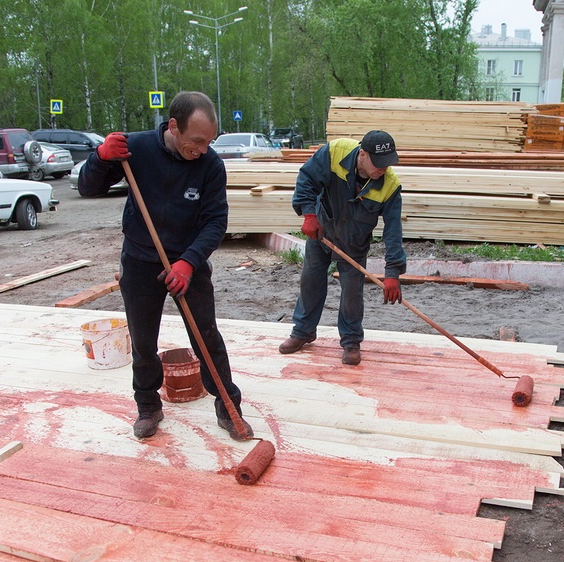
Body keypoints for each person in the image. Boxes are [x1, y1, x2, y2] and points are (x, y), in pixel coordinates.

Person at [78, 91, 252, 441]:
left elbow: (216, 222)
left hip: (188, 264)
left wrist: (189, 262)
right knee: (143, 341)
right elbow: (87, 188)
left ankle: (228, 408)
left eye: (210, 142)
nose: (202, 149)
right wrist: (98, 158)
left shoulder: (210, 166)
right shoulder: (136, 150)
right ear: (173, 126)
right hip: (141, 262)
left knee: (206, 338)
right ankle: (147, 406)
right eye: (197, 140)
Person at [279, 130, 407, 365]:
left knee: (351, 292)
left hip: (354, 243)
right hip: (322, 230)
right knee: (310, 281)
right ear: (362, 155)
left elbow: (393, 231)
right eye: (378, 163)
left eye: (387, 163)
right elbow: (307, 178)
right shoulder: (335, 152)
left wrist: (393, 273)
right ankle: (303, 332)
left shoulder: (389, 185)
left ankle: (351, 341)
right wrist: (308, 214)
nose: (383, 169)